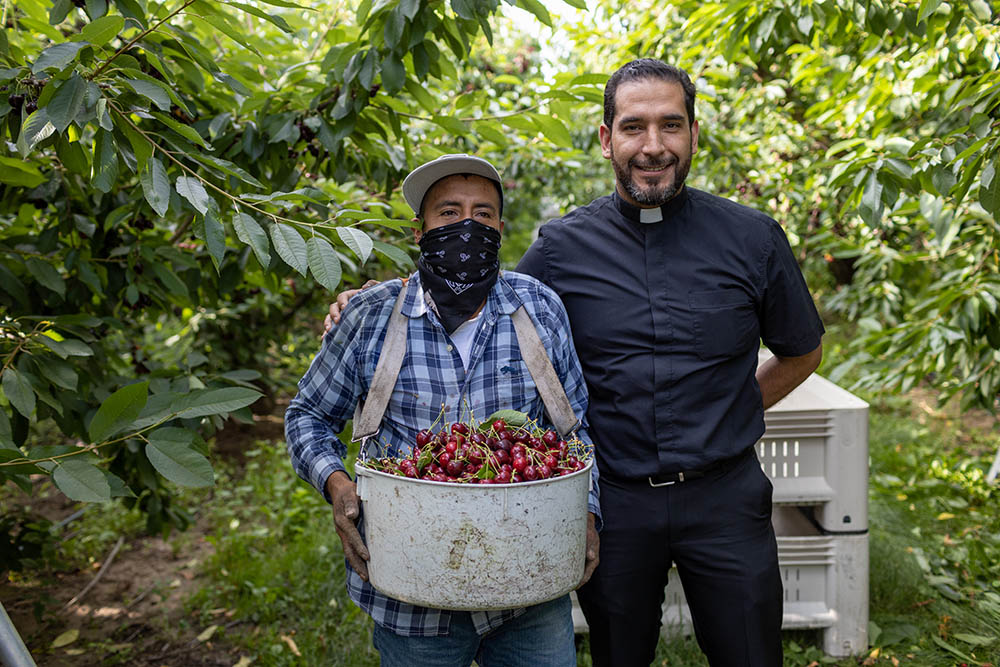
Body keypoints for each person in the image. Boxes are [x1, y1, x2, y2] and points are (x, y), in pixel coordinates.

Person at [328, 60, 824, 666]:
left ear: (695, 133)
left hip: (726, 498)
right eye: (633, 127)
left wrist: (735, 407)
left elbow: (802, 351)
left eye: (671, 125)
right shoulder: (562, 248)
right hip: (615, 504)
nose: (652, 146)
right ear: (605, 137)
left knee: (751, 655)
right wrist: (369, 304)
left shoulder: (753, 238)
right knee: (617, 656)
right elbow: (481, 297)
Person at [285, 154, 601, 667]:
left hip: (527, 584)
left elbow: (575, 429)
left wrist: (587, 512)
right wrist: (337, 485)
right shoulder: (370, 317)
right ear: (420, 230)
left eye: (482, 214)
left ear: (500, 226)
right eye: (449, 214)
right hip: (411, 593)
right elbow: (307, 415)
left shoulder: (538, 308)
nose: (467, 227)